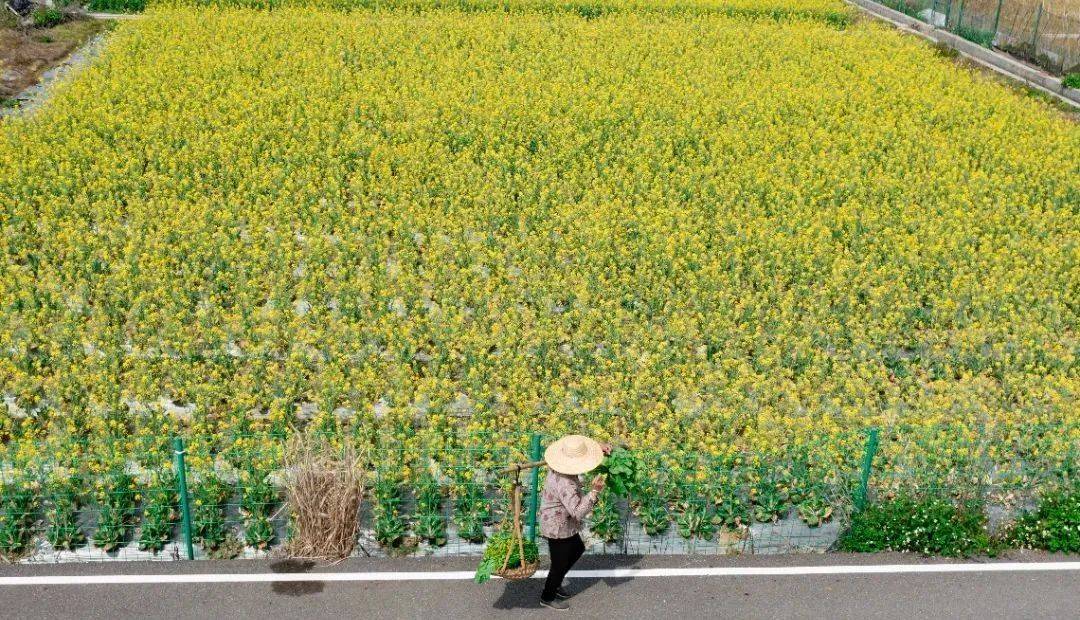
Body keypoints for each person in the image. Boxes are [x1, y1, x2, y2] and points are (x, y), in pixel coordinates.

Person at [537, 434, 611, 611]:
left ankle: (555, 584)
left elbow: (575, 444)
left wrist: (597, 447)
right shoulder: (566, 483)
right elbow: (578, 512)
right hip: (557, 526)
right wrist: (594, 491)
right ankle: (547, 596)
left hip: (561, 519)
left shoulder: (557, 466)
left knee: (578, 548)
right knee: (559, 564)